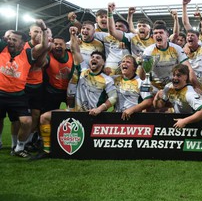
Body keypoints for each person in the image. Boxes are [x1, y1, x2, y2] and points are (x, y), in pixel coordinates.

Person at [34, 27, 117, 159]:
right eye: (92, 57)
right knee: (45, 117)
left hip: (92, 114)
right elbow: (74, 50)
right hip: (74, 111)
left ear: (103, 62)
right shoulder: (83, 70)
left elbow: (113, 98)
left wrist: (100, 109)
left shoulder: (107, 80)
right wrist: (73, 34)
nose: (94, 59)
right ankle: (47, 150)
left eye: (97, 58)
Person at [0, 20, 48, 158]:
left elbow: (44, 45)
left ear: (22, 44)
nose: (10, 42)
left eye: (14, 40)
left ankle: (19, 147)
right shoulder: (2, 48)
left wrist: (43, 28)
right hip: (0, 92)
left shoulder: (28, 53)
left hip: (18, 95)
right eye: (9, 39)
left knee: (26, 122)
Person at [142, 21, 199, 90]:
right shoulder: (148, 51)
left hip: (174, 84)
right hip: (155, 86)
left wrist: (196, 87)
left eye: (161, 32)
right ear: (153, 37)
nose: (158, 35)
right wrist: (141, 65)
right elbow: (143, 76)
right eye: (155, 33)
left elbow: (189, 68)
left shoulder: (176, 48)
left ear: (167, 35)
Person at [154, 64, 202, 128]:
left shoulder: (189, 93)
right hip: (177, 121)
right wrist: (156, 98)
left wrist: (184, 121)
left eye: (178, 75)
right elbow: (159, 106)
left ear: (186, 77)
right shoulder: (168, 88)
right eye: (173, 75)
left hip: (192, 124)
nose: (175, 78)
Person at [114, 54, 153, 120]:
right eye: (123, 62)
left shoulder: (142, 82)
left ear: (134, 67)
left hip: (134, 117)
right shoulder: (114, 80)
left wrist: (132, 109)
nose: (124, 63)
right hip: (117, 116)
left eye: (128, 62)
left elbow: (148, 101)